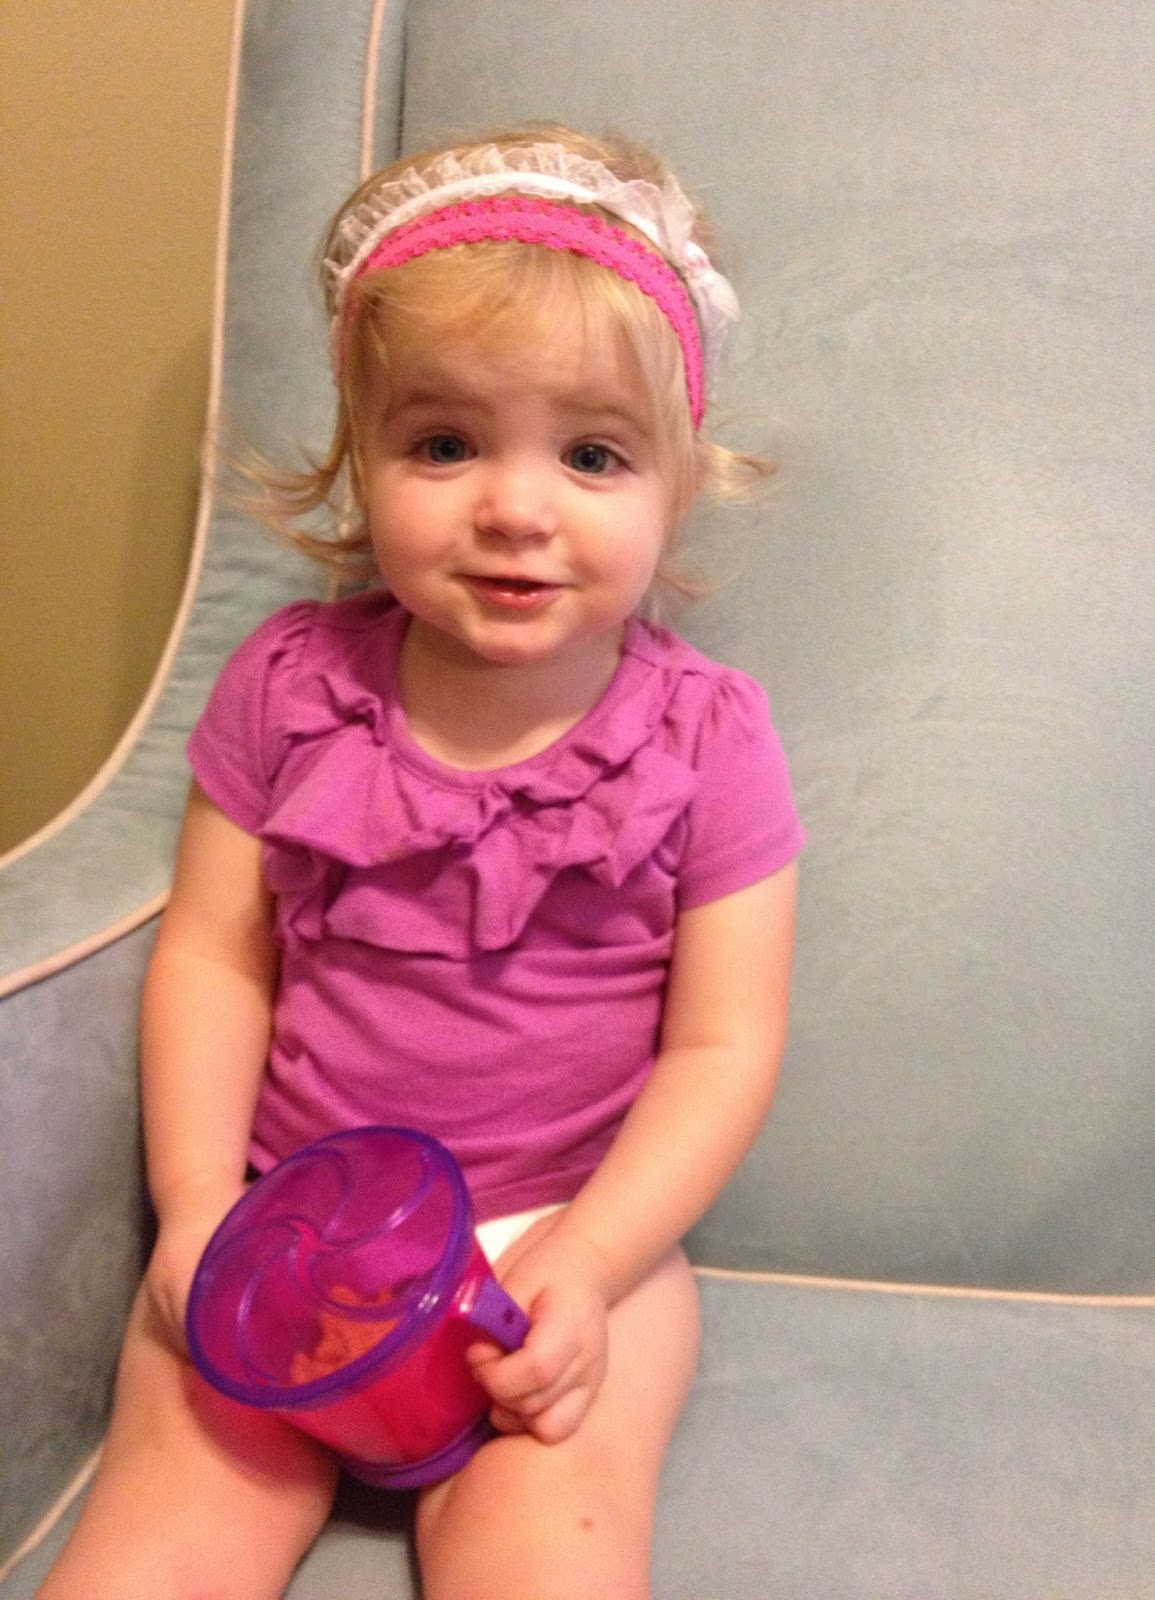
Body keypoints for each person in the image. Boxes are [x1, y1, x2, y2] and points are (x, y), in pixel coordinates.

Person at [39, 124, 802, 1600]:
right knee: (158, 1545)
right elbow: (217, 957)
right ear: (361, 456)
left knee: (548, 1560)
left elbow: (725, 1044)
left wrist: (591, 1261)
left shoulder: (709, 738)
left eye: (592, 455)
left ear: (676, 483)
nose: (514, 508)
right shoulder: (289, 688)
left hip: (564, 1235)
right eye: (444, 445)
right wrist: (197, 1206)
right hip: (288, 1227)